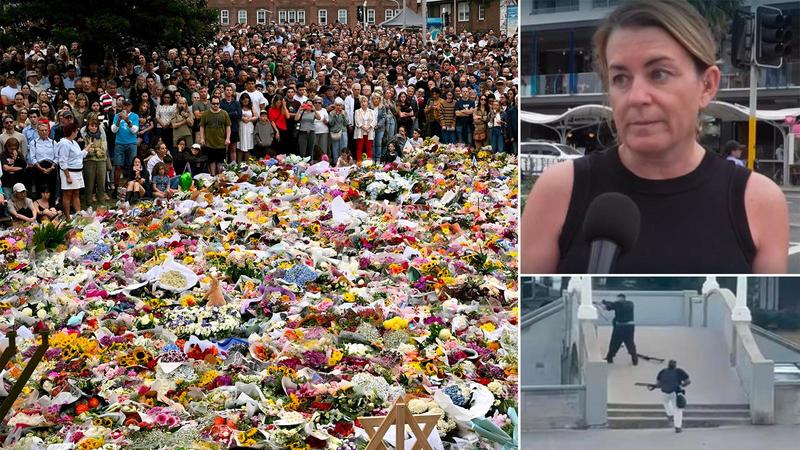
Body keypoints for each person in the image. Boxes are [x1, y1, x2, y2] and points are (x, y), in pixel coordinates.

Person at [520, 0, 788, 274]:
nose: (636, 97)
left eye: (659, 74)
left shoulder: (759, 201)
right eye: (621, 78)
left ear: (707, 85)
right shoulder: (559, 190)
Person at [648, 359, 691, 433]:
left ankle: (673, 420)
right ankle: (676, 424)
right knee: (675, 409)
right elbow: (688, 381)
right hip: (671, 392)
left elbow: (658, 384)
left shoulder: (665, 372)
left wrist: (656, 386)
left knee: (672, 408)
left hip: (670, 392)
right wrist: (682, 385)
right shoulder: (677, 371)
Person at [56, 121, 87, 221]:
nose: (77, 133)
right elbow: (62, 161)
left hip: (78, 171)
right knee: (67, 194)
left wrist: (89, 146)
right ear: (72, 132)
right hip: (69, 172)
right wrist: (68, 176)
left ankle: (78, 215)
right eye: (76, 131)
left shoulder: (74, 143)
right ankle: (68, 217)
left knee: (76, 193)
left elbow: (79, 156)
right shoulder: (64, 144)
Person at [600, 294, 637, 365]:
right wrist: (606, 302)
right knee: (630, 343)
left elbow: (606, 307)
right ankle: (635, 359)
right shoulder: (630, 303)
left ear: (620, 298)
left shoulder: (617, 304)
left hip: (620, 327)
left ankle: (609, 358)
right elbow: (613, 304)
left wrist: (602, 305)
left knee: (614, 343)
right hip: (630, 327)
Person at [111, 99, 139, 191]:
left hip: (131, 143)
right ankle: (116, 188)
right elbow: (113, 130)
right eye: (125, 105)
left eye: (128, 105)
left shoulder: (135, 116)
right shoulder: (117, 116)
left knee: (132, 166)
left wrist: (127, 121)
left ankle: (130, 187)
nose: (126, 107)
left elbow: (134, 130)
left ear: (131, 106)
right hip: (119, 143)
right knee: (118, 166)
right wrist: (119, 120)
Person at [198, 96, 231, 175]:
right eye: (213, 103)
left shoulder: (224, 113)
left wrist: (228, 138)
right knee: (211, 161)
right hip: (209, 142)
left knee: (220, 161)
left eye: (217, 103)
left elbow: (228, 126)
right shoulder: (206, 114)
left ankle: (220, 176)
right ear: (210, 103)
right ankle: (212, 176)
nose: (215, 105)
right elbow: (202, 126)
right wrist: (202, 138)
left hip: (221, 142)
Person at [28, 122, 58, 206]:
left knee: (52, 188)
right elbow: (32, 158)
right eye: (41, 130)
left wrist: (51, 167)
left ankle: (52, 208)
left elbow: (57, 157)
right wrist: (41, 169)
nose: (44, 132)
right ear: (38, 132)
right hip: (38, 167)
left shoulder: (53, 142)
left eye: (45, 130)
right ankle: (40, 209)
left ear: (48, 131)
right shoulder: (33, 142)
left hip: (51, 167)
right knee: (39, 188)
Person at [81, 116, 109, 206]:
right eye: (91, 125)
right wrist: (96, 150)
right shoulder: (84, 136)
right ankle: (88, 205)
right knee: (89, 185)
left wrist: (93, 149)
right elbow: (85, 151)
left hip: (101, 162)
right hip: (88, 162)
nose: (93, 127)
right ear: (88, 126)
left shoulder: (102, 136)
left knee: (101, 185)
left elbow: (103, 151)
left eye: (95, 126)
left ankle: (102, 205)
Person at [354, 95, 376, 163]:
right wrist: (364, 127)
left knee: (369, 148)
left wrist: (368, 127)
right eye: (361, 102)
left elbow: (374, 121)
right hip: (360, 131)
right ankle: (359, 163)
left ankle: (369, 164)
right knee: (359, 148)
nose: (363, 103)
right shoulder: (357, 111)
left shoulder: (372, 111)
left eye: (364, 101)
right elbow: (357, 121)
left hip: (369, 132)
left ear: (367, 102)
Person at [328, 98, 349, 164]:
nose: (338, 107)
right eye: (337, 105)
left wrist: (343, 115)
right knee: (335, 148)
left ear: (342, 106)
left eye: (340, 105)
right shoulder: (331, 113)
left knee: (344, 148)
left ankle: (344, 163)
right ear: (334, 105)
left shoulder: (344, 112)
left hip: (343, 132)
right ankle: (336, 163)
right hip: (335, 132)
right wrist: (334, 115)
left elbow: (346, 123)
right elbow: (331, 123)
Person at [237, 92, 256, 162]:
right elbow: (236, 115)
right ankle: (239, 164)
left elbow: (256, 116)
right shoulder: (238, 106)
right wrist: (242, 118)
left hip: (249, 127)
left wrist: (249, 119)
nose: (246, 103)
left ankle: (247, 164)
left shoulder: (251, 107)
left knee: (248, 146)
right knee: (240, 146)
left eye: (247, 101)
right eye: (244, 101)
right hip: (241, 127)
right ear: (241, 100)